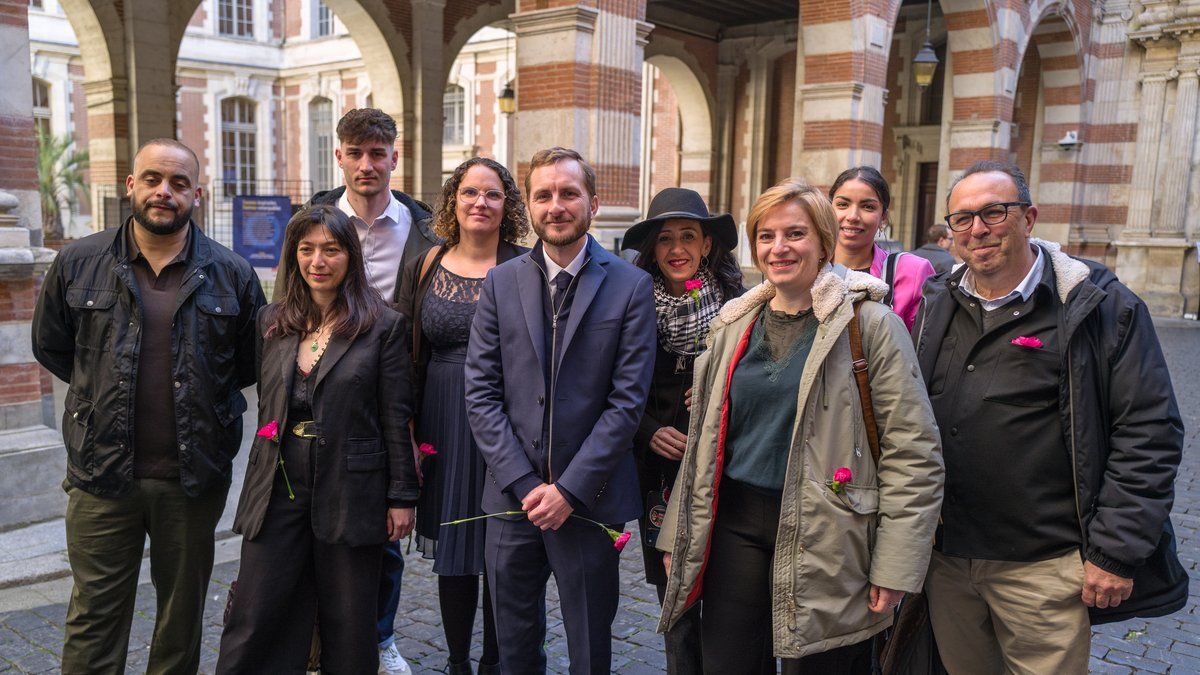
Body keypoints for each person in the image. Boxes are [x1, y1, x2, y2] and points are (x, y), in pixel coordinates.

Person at [656, 178, 943, 674]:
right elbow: (704, 441)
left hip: (829, 533)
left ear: (824, 242)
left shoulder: (869, 325)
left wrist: (897, 563)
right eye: (766, 236)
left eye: (795, 234)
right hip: (735, 529)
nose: (779, 248)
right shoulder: (734, 325)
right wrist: (677, 537)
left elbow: (913, 452)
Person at [912, 160, 1187, 674]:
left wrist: (1114, 552)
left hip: (1044, 568)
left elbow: (1149, 433)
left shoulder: (1101, 307)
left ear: (1029, 217)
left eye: (994, 212)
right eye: (962, 219)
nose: (978, 230)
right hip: (948, 561)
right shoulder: (936, 302)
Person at [31, 138, 266, 674]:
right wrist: (103, 394)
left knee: (180, 622)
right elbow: (52, 345)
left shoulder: (232, 274)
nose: (165, 192)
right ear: (131, 185)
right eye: (154, 179)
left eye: (179, 183)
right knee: (93, 617)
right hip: (100, 476)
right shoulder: (78, 262)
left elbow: (247, 365)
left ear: (197, 194)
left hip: (192, 478)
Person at [464, 147, 656, 674]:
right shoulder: (501, 283)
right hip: (512, 499)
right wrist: (526, 484)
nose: (556, 206)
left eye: (568, 193)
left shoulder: (630, 286)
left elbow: (627, 401)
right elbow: (481, 392)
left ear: (592, 202)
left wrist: (569, 490)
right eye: (543, 195)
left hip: (591, 499)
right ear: (529, 205)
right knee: (514, 644)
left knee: (590, 645)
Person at [217, 205, 418, 673]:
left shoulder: (383, 325)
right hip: (279, 483)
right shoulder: (272, 321)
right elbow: (269, 406)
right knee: (256, 609)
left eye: (331, 249)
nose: (318, 261)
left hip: (352, 485)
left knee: (349, 620)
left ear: (350, 255)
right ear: (293, 255)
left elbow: (395, 415)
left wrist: (401, 496)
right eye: (306, 249)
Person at [307, 107, 438, 673]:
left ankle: (380, 639)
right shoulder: (312, 219)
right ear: (339, 156)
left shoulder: (424, 228)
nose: (366, 164)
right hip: (324, 392)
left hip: (394, 398)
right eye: (355, 153)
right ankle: (316, 640)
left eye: (377, 154)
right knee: (311, 522)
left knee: (388, 524)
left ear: (394, 158)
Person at [396, 157, 530, 675]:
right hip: (442, 421)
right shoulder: (426, 265)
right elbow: (405, 357)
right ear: (453, 200)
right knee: (455, 544)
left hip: (508, 420)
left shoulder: (526, 264)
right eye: (470, 192)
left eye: (492, 194)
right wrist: (406, 432)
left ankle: (498, 660)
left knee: (506, 546)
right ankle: (457, 662)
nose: (480, 203)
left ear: (506, 205)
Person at [619, 187, 744, 674]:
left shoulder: (739, 305)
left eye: (688, 236)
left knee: (728, 592)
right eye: (665, 239)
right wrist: (647, 430)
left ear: (707, 245)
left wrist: (722, 391)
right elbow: (613, 386)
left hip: (727, 465)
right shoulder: (631, 305)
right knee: (675, 596)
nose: (677, 249)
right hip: (660, 470)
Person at [830, 166, 935, 329]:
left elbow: (922, 346)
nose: (852, 216)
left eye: (868, 207)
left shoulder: (911, 272)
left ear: (883, 218)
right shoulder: (809, 268)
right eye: (843, 204)